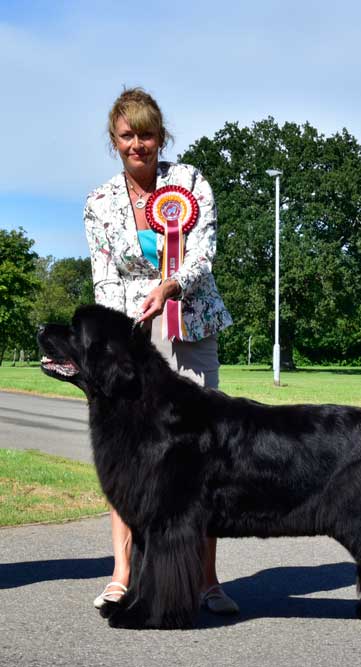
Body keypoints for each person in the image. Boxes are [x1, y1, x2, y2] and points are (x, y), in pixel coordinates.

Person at [84, 87, 238, 615]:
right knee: (129, 456)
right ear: (114, 140)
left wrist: (170, 286)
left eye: (146, 134)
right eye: (127, 135)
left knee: (200, 455)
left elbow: (205, 250)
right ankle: (123, 573)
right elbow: (104, 281)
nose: (138, 144)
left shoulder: (189, 181)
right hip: (135, 342)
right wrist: (115, 344)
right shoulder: (99, 203)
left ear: (161, 135)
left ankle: (207, 579)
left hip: (191, 325)